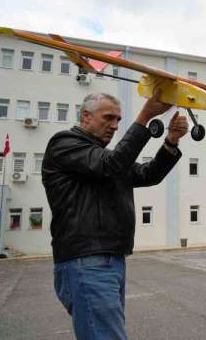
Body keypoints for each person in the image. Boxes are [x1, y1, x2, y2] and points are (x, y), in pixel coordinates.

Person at [42, 91, 188, 339]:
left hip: (108, 260)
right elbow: (113, 164)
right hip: (87, 260)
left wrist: (171, 141)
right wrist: (145, 116)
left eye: (119, 120)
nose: (114, 125)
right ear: (86, 116)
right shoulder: (65, 144)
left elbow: (147, 174)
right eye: (108, 117)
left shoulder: (104, 157)